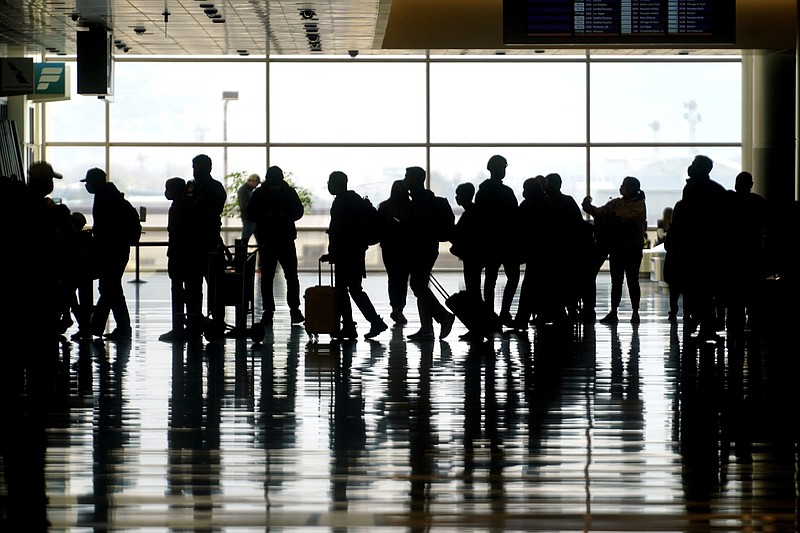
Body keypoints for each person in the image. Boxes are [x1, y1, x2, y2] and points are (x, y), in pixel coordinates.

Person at [320, 171, 388, 340]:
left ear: (337, 183)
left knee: (344, 290)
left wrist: (333, 253)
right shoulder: (355, 200)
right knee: (354, 289)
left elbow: (339, 231)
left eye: (330, 182)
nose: (328, 185)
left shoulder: (341, 203)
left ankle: (352, 325)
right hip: (356, 251)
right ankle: (368, 322)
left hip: (346, 253)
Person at [667, 155, 728, 339]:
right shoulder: (717, 190)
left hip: (693, 249)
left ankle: (703, 324)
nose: (690, 167)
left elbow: (684, 220)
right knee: (707, 290)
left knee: (697, 290)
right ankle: (707, 325)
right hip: (711, 249)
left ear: (700, 168)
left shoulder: (692, 189)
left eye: (694, 165)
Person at [582, 176, 647, 325]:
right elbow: (600, 212)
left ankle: (633, 311)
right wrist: (588, 207)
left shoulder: (637, 205)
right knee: (618, 282)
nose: (621, 188)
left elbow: (629, 218)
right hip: (621, 247)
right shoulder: (618, 203)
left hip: (630, 248)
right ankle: (615, 311)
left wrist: (609, 215)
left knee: (630, 281)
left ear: (631, 189)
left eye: (624, 186)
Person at [402, 166, 456, 341]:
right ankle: (426, 329)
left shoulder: (419, 201)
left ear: (416, 180)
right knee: (421, 286)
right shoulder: (424, 199)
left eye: (407, 177)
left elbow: (419, 227)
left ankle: (442, 317)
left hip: (421, 249)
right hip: (427, 248)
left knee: (417, 286)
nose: (405, 180)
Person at [247, 165, 305, 326]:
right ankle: (294, 310)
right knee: (291, 276)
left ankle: (268, 311)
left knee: (267, 277)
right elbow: (298, 212)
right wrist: (284, 216)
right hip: (285, 238)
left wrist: (266, 217)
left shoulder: (260, 193)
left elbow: (251, 213)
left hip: (267, 239)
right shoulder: (289, 192)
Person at [82, 167, 136, 340]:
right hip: (118, 249)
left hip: (111, 250)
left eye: (88, 182)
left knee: (109, 287)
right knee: (110, 287)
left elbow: (105, 228)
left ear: (95, 182)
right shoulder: (112, 195)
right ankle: (100, 327)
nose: (87, 186)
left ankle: (115, 327)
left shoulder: (104, 198)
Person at [475, 155, 520, 326]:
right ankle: (504, 312)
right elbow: (515, 216)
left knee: (490, 279)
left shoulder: (483, 192)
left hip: (491, 242)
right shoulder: (506, 192)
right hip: (507, 242)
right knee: (512, 277)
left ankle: (489, 313)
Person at [185, 154, 227, 329]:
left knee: (215, 285)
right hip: (195, 243)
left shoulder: (214, 188)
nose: (196, 171)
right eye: (195, 167)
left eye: (199, 167)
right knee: (193, 286)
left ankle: (216, 320)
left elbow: (212, 211)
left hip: (209, 242)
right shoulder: (193, 187)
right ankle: (195, 319)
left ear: (209, 168)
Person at [725, 171, 769, 329]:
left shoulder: (729, 202)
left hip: (733, 254)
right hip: (753, 253)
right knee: (753, 291)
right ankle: (752, 321)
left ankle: (733, 323)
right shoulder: (759, 202)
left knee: (734, 294)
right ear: (751, 184)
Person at [159, 177, 197, 342]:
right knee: (191, 291)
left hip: (178, 254)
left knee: (177, 291)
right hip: (190, 255)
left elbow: (175, 232)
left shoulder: (178, 207)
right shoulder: (189, 205)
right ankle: (191, 327)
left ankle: (178, 327)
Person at [377, 179, 412, 325]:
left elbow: (379, 226)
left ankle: (395, 307)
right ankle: (399, 309)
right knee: (402, 279)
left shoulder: (384, 206)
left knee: (393, 278)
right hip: (405, 248)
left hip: (389, 248)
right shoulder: (410, 206)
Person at [449, 182, 483, 298]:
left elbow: (458, 234)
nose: (456, 197)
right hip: (475, 255)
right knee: (474, 285)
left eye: (458, 195)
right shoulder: (475, 212)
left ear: (464, 196)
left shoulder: (469, 214)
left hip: (471, 257)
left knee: (472, 285)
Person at [238, 173, 260, 247]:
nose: (256, 185)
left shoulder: (248, 190)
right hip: (248, 218)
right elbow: (244, 205)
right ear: (252, 181)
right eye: (256, 183)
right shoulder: (243, 190)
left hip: (251, 218)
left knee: (248, 237)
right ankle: (242, 255)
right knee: (245, 238)